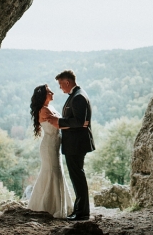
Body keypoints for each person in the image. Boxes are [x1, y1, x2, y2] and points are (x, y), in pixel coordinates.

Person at [46, 70, 95, 221]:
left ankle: (82, 213)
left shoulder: (78, 97)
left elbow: (80, 121)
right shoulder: (76, 95)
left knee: (77, 177)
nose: (60, 88)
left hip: (76, 144)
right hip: (75, 143)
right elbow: (79, 121)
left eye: (61, 84)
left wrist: (59, 122)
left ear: (67, 82)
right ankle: (79, 210)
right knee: (76, 176)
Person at [27, 84, 73, 218]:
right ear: (43, 95)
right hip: (49, 146)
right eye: (49, 91)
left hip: (55, 145)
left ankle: (57, 205)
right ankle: (50, 207)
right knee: (53, 172)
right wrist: (77, 123)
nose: (52, 92)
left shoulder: (50, 108)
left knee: (57, 171)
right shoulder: (44, 110)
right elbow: (59, 124)